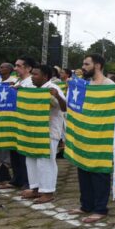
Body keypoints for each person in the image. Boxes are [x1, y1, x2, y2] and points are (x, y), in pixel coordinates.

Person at [69, 54, 115, 224]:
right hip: (84, 136)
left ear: (98, 65)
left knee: (99, 174)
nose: (83, 67)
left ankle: (100, 209)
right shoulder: (85, 85)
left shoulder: (109, 86)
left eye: (86, 64)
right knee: (84, 171)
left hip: (101, 138)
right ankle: (86, 205)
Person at [21, 65, 66, 204]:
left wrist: (57, 96)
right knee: (31, 158)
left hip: (48, 131)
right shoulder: (34, 89)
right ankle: (35, 188)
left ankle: (48, 191)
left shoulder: (53, 88)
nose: (32, 77)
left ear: (45, 77)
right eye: (32, 74)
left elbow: (65, 107)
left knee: (45, 161)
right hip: (34, 130)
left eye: (35, 74)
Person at [0, 56, 36, 190]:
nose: (15, 68)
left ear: (28, 68)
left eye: (19, 66)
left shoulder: (31, 82)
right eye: (15, 65)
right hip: (14, 122)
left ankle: (27, 181)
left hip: (25, 123)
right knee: (14, 152)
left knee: (23, 155)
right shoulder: (19, 81)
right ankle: (17, 179)